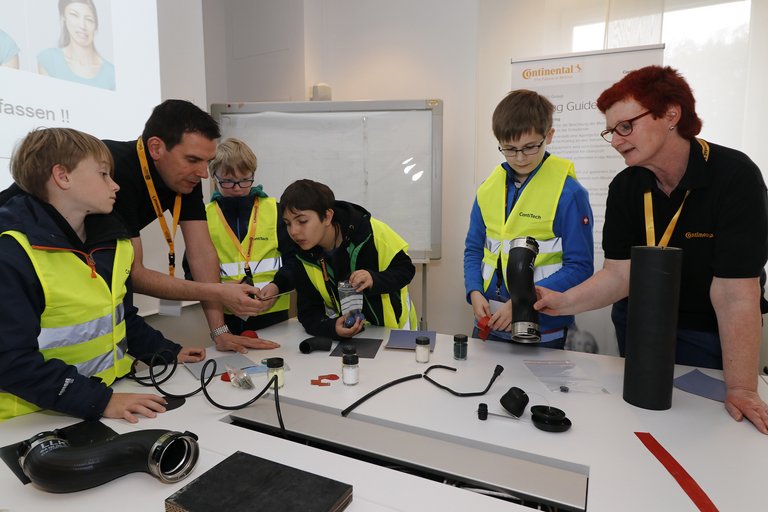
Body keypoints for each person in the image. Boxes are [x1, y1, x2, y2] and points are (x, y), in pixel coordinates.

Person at [535, 65, 768, 433]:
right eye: (611, 131)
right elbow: (619, 274)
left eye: (625, 126)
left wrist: (741, 387)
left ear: (671, 115)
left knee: (703, 432)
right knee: (642, 425)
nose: (616, 140)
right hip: (640, 327)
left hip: (706, 332)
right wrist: (564, 302)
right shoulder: (626, 186)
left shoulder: (734, 176)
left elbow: (736, 294)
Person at [0, 127, 205, 423]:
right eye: (103, 175)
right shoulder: (11, 252)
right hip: (30, 420)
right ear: (63, 176)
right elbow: (11, 362)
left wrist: (166, 351)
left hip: (103, 402)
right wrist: (100, 400)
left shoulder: (114, 243)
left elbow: (120, 319)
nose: (116, 186)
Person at [104, 99, 278, 354]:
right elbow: (134, 274)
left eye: (205, 162)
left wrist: (221, 333)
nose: (203, 174)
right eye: (193, 159)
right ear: (156, 148)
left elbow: (202, 253)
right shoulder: (117, 169)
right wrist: (218, 292)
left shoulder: (185, 179)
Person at [463, 89, 594, 348]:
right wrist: (474, 291)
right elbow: (474, 250)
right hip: (490, 323)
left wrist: (523, 301)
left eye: (529, 147)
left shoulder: (569, 194)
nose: (520, 158)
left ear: (549, 136)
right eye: (509, 149)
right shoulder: (488, 190)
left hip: (544, 328)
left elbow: (580, 266)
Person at [259, 179, 417, 338]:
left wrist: (374, 279)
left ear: (327, 216)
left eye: (302, 221)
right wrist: (332, 328)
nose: (293, 231)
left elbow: (406, 269)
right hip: (353, 339)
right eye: (287, 223)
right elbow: (309, 313)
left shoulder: (371, 232)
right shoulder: (302, 256)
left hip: (395, 332)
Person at [184, 138, 293, 338]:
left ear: (253, 175)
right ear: (214, 177)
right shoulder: (202, 218)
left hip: (274, 315)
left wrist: (277, 285)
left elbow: (295, 261)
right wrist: (222, 293)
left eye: (244, 180)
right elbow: (192, 273)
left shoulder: (275, 211)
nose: (237, 188)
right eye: (228, 181)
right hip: (227, 318)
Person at [37, 0, 115, 90]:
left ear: (96, 25)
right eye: (74, 15)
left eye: (89, 19)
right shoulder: (49, 59)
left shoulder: (111, 73)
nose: (82, 25)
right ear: (63, 17)